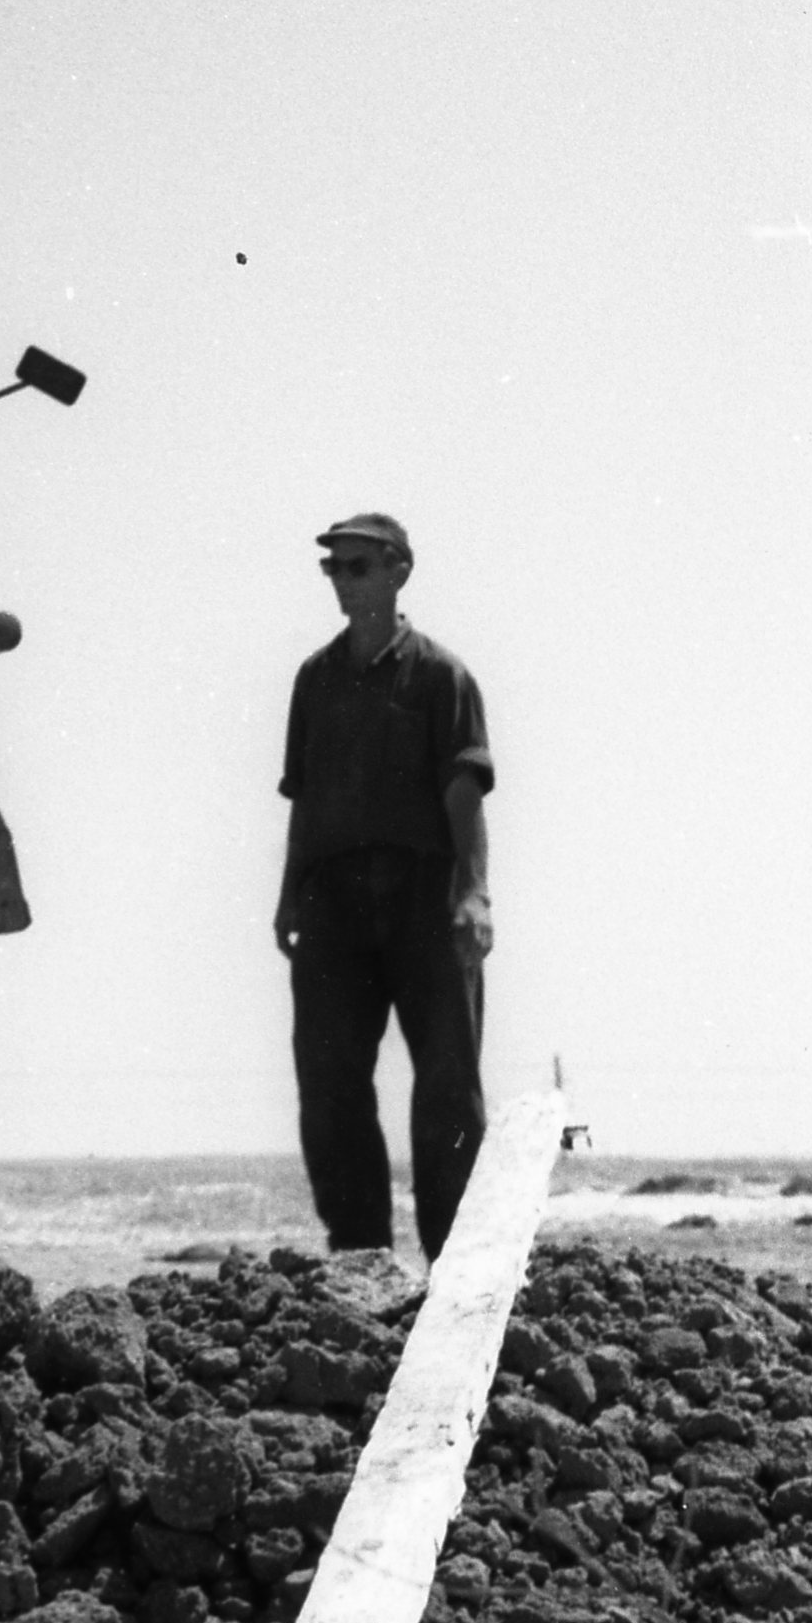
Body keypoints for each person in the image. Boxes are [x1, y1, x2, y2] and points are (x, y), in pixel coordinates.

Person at [275, 509, 495, 1265]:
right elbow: (302, 797)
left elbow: (463, 793)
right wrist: (287, 894)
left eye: (358, 566)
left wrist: (473, 895)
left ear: (399, 570)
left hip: (423, 897)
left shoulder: (440, 675)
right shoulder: (314, 678)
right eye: (333, 567)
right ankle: (359, 1256)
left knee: (445, 1084)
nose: (343, 581)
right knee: (328, 1078)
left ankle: (454, 1262)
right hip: (332, 901)